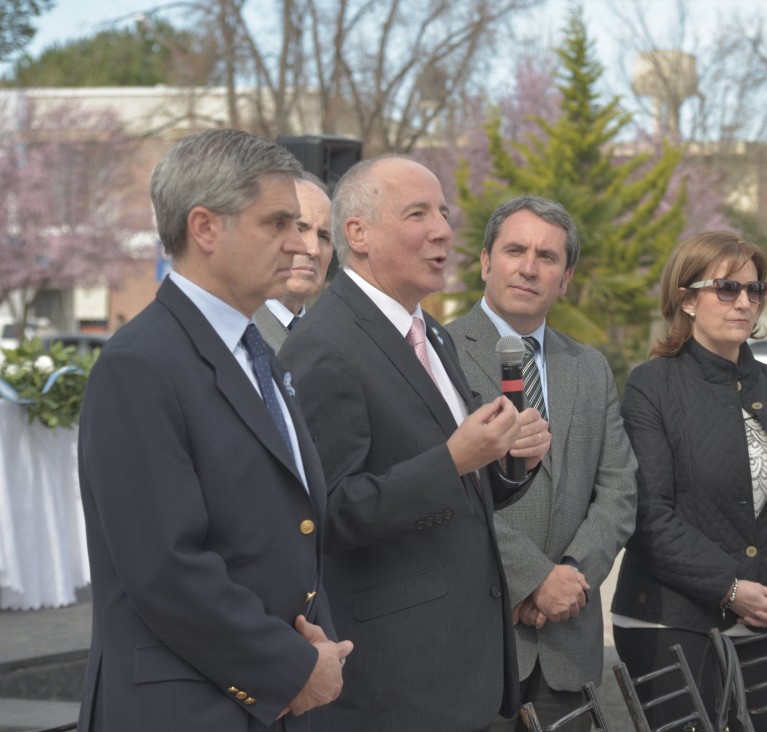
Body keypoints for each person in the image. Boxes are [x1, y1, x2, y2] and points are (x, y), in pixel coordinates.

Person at [77, 129, 352, 732]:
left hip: (272, 698)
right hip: (186, 709)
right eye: (277, 223)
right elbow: (166, 568)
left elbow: (289, 535)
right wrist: (291, 668)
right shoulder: (139, 365)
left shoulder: (258, 357)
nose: (298, 243)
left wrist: (315, 659)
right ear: (205, 228)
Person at [279, 155, 552, 731]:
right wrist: (456, 458)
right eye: (417, 214)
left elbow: (457, 489)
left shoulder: (429, 334)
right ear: (358, 233)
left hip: (464, 667)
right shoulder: (324, 343)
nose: (443, 231)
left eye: (445, 214)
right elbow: (331, 513)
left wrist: (505, 462)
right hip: (395, 681)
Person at [611, 231, 767, 732]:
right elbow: (650, 515)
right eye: (727, 289)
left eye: (755, 290)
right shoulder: (652, 384)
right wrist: (732, 588)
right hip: (671, 622)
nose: (745, 302)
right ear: (687, 299)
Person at [446, 195, 638, 730]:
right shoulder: (437, 353)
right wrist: (532, 581)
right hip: (478, 635)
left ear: (566, 277)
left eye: (547, 257)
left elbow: (620, 490)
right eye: (514, 250)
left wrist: (571, 579)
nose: (529, 267)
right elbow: (449, 490)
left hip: (567, 646)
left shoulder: (589, 367)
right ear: (486, 261)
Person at [255, 172, 334, 352]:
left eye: (324, 236)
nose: (313, 249)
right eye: (298, 229)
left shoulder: (335, 336)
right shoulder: (234, 331)